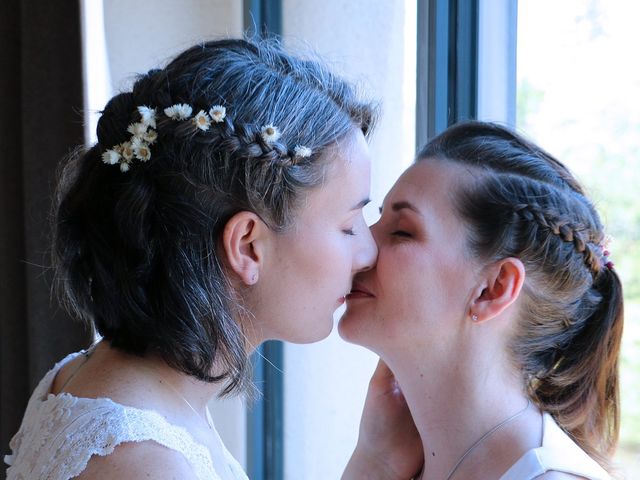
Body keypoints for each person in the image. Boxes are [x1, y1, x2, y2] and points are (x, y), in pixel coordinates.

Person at [4, 38, 422, 480]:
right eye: (348, 224)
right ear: (247, 245)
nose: (368, 251)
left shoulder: (93, 378)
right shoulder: (144, 460)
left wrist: (375, 462)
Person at [340, 121, 623, 480]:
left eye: (402, 231)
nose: (361, 248)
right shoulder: (395, 460)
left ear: (494, 288)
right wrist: (372, 467)